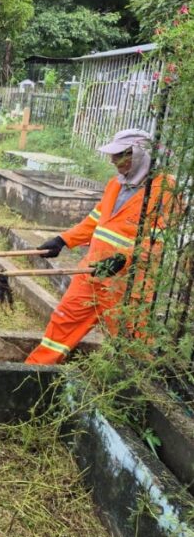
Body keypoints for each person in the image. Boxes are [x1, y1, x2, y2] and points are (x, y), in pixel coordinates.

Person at [25, 129, 174, 364]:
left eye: (119, 155)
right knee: (62, 322)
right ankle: (35, 372)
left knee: (129, 341)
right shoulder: (116, 184)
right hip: (91, 273)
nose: (112, 161)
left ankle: (133, 390)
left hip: (125, 284)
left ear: (138, 155)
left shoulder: (164, 191)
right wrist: (63, 240)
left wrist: (123, 260)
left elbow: (155, 243)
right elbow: (96, 221)